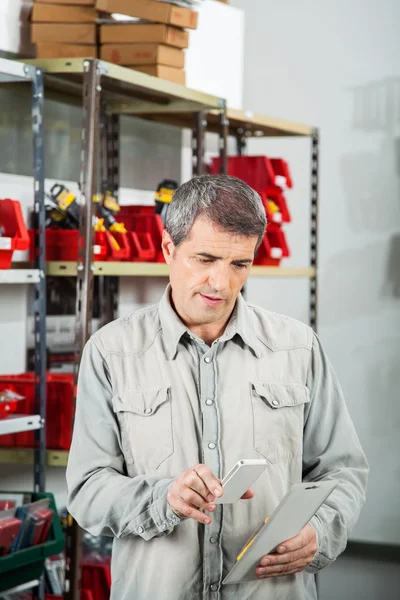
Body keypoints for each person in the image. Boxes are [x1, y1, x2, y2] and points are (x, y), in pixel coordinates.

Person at [66, 174, 368, 600]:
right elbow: (87, 491)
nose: (221, 283)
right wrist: (163, 497)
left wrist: (321, 531)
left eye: (239, 264)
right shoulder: (111, 353)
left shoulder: (298, 347)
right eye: (205, 259)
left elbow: (342, 470)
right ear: (169, 248)